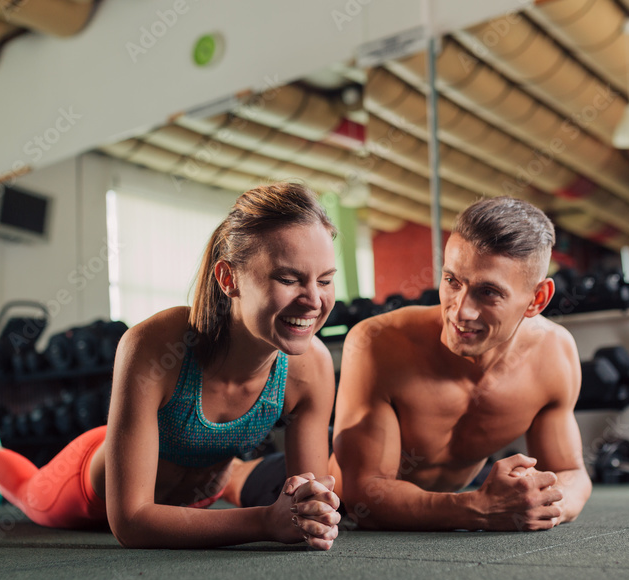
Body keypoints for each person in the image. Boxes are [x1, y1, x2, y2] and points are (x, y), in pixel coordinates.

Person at [0, 183, 342, 549]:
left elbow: (311, 501)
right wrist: (263, 522)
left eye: (325, 280)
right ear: (228, 278)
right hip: (90, 497)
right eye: (290, 279)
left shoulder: (311, 368)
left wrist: (311, 515)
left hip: (193, 507)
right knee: (27, 490)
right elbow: (131, 521)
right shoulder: (157, 345)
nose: (313, 300)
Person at [230, 196, 591, 531]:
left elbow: (570, 472)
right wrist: (476, 508)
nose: (460, 311)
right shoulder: (381, 342)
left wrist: (546, 506)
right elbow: (362, 496)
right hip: (327, 488)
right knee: (229, 479)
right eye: (452, 280)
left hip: (449, 495)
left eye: (489, 292)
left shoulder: (554, 356)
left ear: (537, 299)